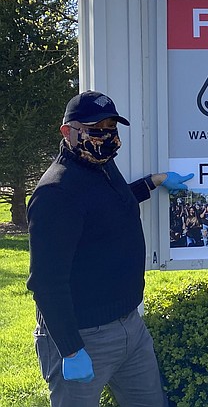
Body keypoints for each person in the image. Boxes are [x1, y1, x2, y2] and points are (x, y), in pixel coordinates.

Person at [26, 90, 193, 407]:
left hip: (130, 327)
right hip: (84, 337)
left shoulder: (101, 166)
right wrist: (71, 349)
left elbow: (109, 207)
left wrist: (153, 181)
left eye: (110, 127)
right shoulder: (56, 192)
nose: (106, 136)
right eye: (95, 127)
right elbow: (46, 282)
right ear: (68, 132)